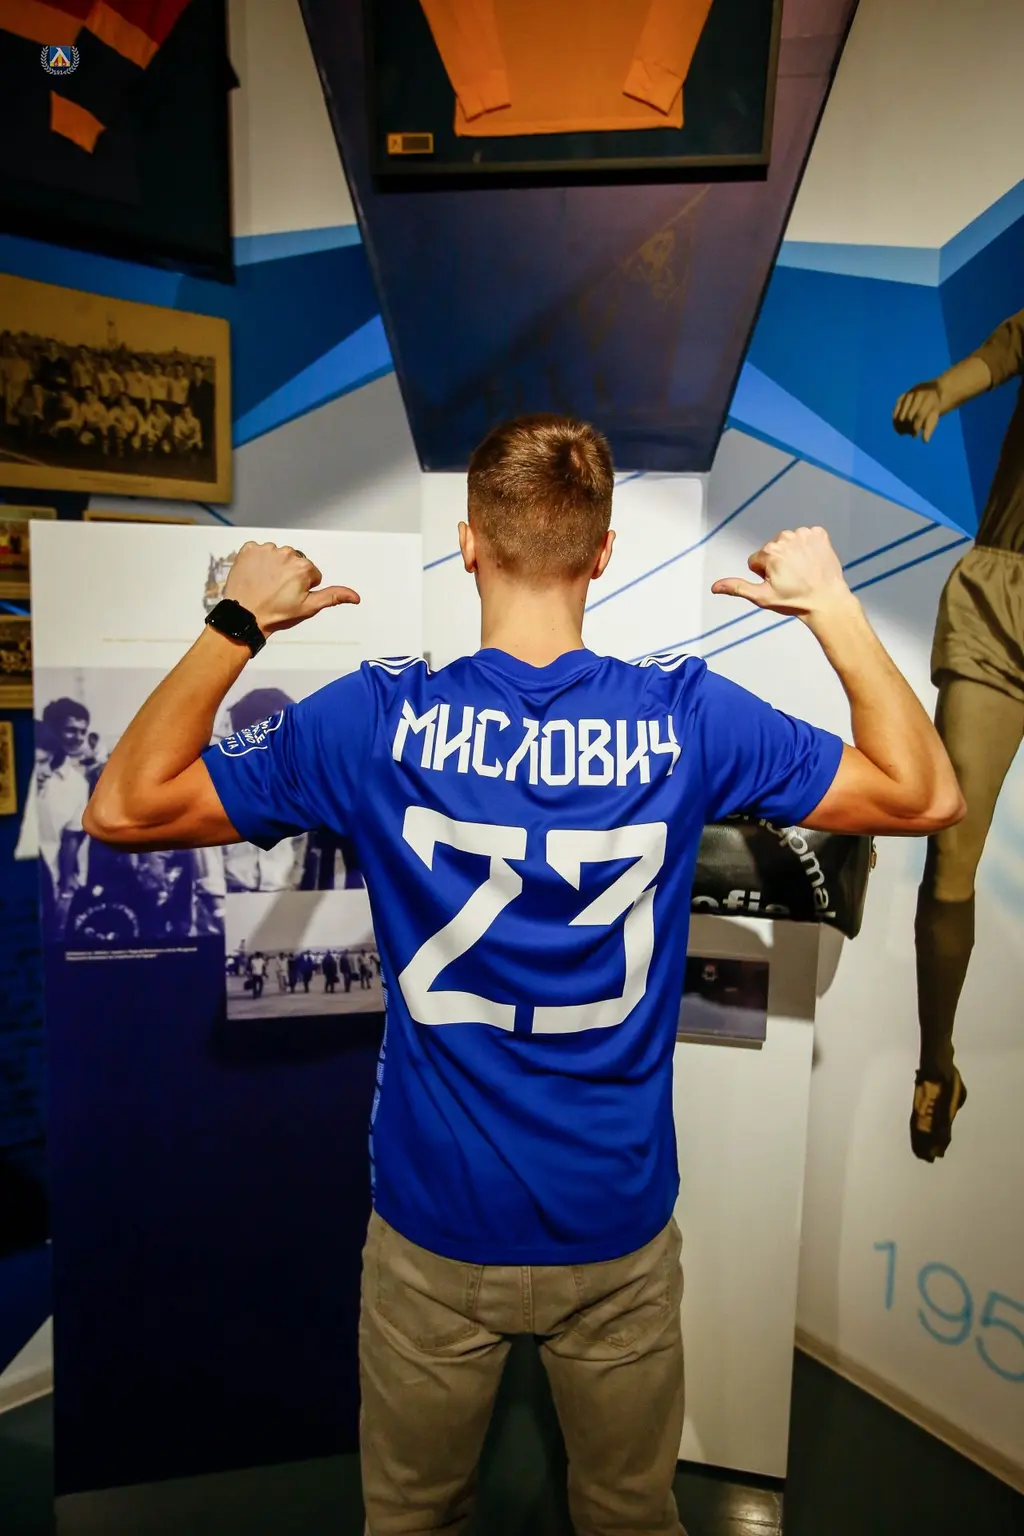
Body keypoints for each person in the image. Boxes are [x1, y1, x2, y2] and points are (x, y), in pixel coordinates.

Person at [84, 415, 963, 1536]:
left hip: (435, 1223)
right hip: (616, 1219)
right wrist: (832, 606)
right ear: (602, 553)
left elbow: (125, 806)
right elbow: (924, 793)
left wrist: (237, 619)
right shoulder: (686, 714)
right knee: (630, 1516)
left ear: (467, 544)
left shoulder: (377, 717)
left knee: (414, 1518)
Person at [893, 306, 1024, 1161]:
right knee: (952, 848)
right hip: (1003, 603)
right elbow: (1003, 351)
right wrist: (943, 390)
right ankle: (936, 1064)